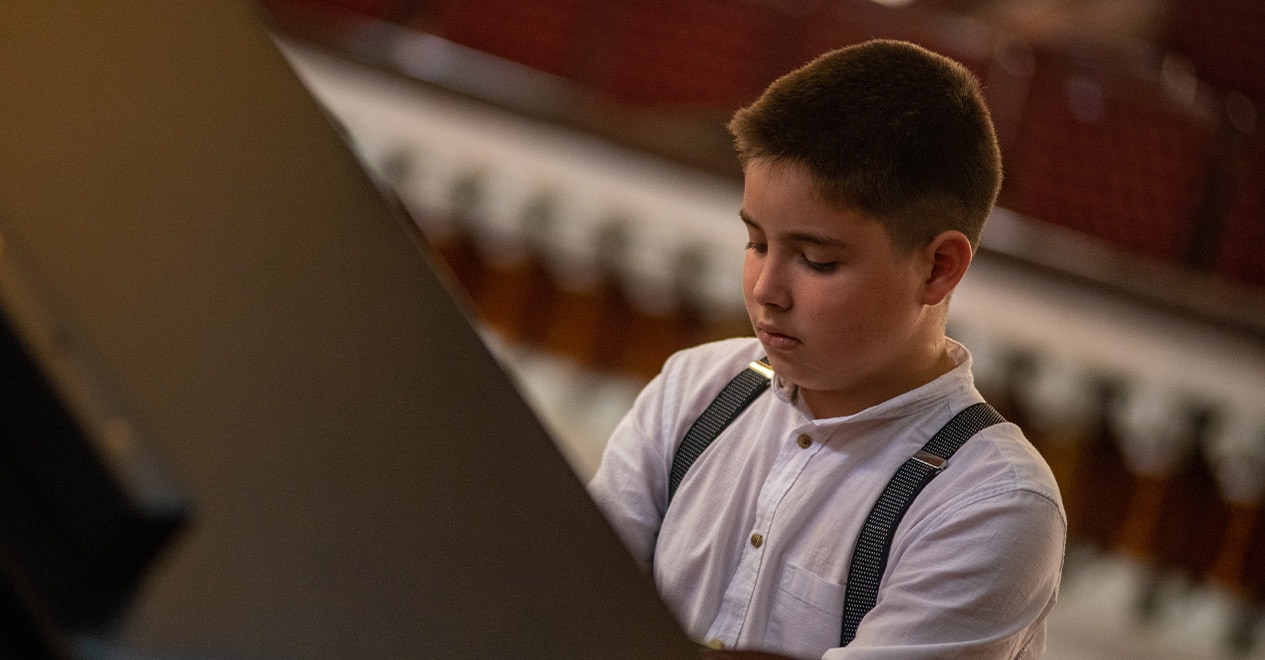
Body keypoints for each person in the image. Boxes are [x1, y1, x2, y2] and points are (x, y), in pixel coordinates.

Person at [587, 39, 1065, 659]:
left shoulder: (992, 503)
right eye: (756, 242)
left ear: (939, 268)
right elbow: (570, 601)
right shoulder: (695, 387)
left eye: (817, 260)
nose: (765, 291)